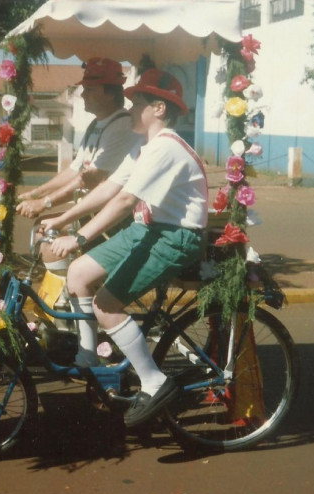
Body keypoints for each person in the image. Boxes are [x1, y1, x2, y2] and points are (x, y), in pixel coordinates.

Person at [42, 69, 208, 428]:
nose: (131, 108)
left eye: (138, 103)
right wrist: (60, 219)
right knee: (78, 273)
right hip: (146, 228)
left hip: (175, 236)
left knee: (105, 304)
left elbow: (125, 200)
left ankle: (153, 380)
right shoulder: (145, 146)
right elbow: (108, 190)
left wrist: (80, 237)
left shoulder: (166, 148)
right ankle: (89, 358)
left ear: (159, 108)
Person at [16, 57, 141, 219]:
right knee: (43, 229)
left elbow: (91, 179)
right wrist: (35, 194)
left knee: (45, 233)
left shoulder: (121, 126)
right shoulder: (96, 124)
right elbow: (75, 169)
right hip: (95, 207)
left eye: (90, 89)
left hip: (115, 213)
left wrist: (44, 202)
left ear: (110, 94)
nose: (83, 95)